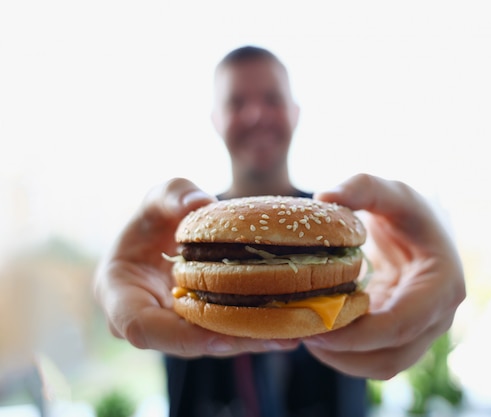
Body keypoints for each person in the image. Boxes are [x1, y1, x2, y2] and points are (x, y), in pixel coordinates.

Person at [94, 46, 466, 417]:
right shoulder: (177, 229)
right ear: (215, 119)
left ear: (295, 112)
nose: (256, 114)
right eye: (237, 102)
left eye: (272, 98)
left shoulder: (339, 221)